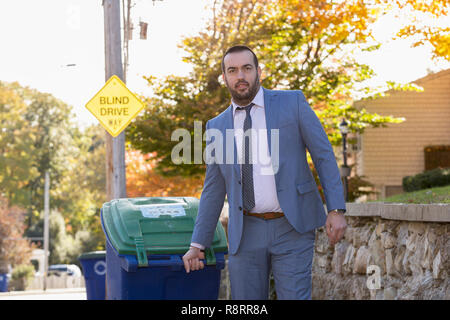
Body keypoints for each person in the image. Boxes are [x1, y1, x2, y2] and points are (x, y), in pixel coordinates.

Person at [182, 45, 347, 300]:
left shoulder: (292, 102)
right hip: (245, 231)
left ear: (259, 71)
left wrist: (335, 208)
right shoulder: (217, 126)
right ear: (224, 77)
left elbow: (323, 154)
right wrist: (197, 244)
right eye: (233, 70)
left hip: (292, 225)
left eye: (247, 68)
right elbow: (213, 189)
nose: (241, 76)